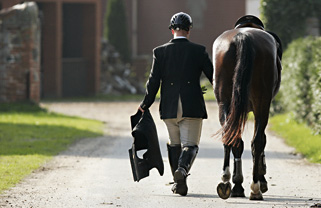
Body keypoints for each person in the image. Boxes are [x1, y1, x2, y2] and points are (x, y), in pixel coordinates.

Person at [138, 12, 213, 196]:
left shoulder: (159, 51)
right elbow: (214, 78)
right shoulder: (199, 51)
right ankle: (182, 169)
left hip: (169, 107)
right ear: (189, 31)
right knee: (190, 145)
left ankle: (179, 183)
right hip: (192, 105)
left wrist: (145, 104)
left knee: (174, 144)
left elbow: (153, 82)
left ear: (172, 30)